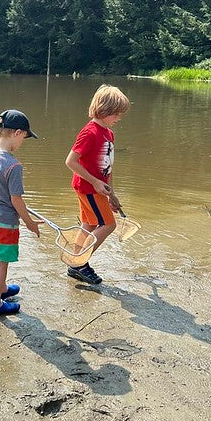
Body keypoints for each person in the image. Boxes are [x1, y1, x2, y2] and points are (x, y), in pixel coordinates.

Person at [64, 84, 131, 284]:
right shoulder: (90, 132)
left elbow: (107, 167)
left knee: (90, 223)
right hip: (88, 187)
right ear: (104, 110)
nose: (119, 118)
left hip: (98, 188)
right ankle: (80, 263)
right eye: (117, 114)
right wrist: (95, 183)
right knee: (108, 224)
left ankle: (74, 264)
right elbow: (70, 161)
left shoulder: (108, 134)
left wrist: (112, 194)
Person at [0, 109, 41, 317]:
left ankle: (3, 289)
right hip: (4, 222)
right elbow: (16, 200)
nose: (22, 142)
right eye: (24, 137)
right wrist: (30, 222)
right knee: (1, 264)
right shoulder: (13, 165)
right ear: (17, 133)